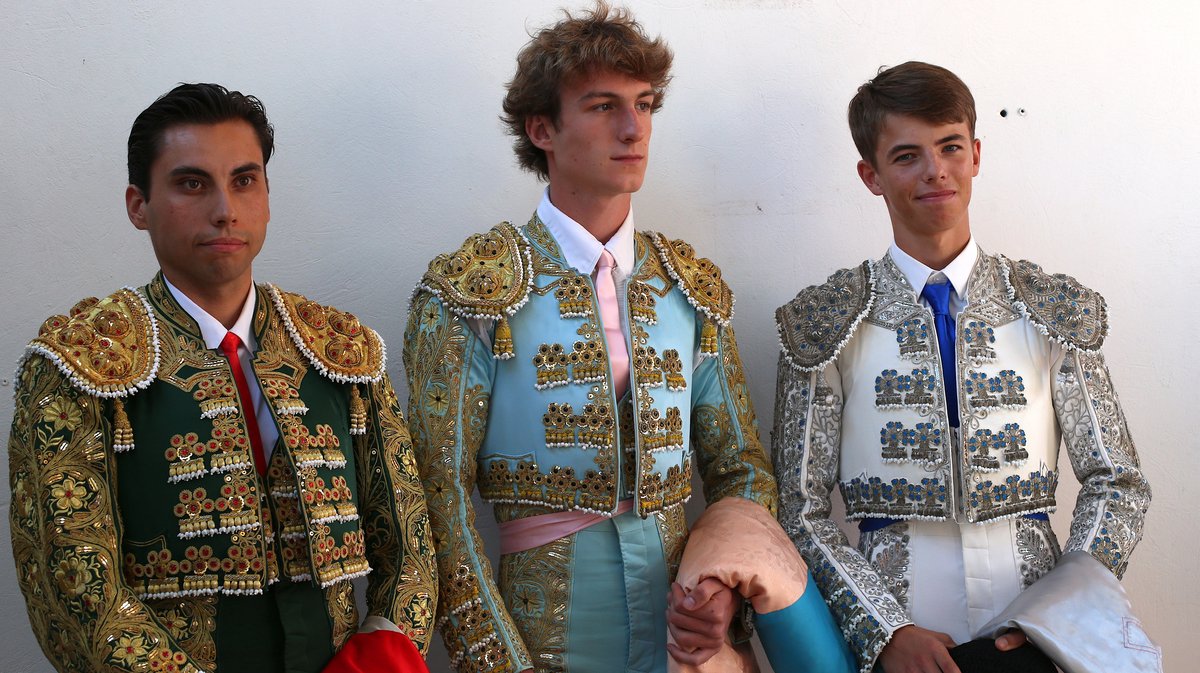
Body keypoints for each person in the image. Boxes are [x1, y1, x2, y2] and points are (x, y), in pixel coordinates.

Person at [7, 83, 437, 673]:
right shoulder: (77, 362)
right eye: (191, 183)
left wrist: (377, 659)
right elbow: (76, 587)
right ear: (138, 205)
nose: (225, 210)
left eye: (244, 180)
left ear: (266, 194)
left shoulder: (342, 350)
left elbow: (409, 543)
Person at [402, 4, 777, 672]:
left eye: (645, 103)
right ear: (542, 128)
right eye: (604, 106)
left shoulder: (691, 285)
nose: (634, 128)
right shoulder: (472, 290)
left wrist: (725, 584)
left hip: (688, 636)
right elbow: (437, 493)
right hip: (542, 641)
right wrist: (499, 659)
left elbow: (741, 467)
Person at [772, 61, 1150, 673]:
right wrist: (884, 630)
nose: (935, 171)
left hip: (1033, 629)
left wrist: (1059, 615)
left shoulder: (1051, 309)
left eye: (949, 147)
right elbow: (799, 511)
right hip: (901, 633)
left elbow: (1118, 482)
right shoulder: (826, 323)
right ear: (870, 176)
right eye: (906, 156)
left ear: (975, 154)